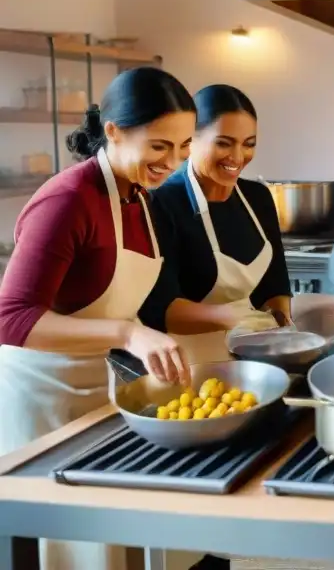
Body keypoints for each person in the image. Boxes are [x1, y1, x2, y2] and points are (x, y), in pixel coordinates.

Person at [0, 66, 196, 570]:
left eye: (183, 146)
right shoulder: (68, 199)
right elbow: (11, 318)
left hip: (96, 389)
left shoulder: (138, 197)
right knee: (59, 549)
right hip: (39, 398)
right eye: (159, 146)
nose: (173, 162)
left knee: (101, 547)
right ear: (113, 131)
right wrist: (127, 333)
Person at [151, 85, 289, 365]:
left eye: (248, 144)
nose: (238, 158)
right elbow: (161, 308)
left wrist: (283, 324)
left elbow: (274, 283)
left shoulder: (258, 197)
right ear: (190, 140)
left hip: (250, 358)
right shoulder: (161, 201)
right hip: (185, 365)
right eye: (224, 143)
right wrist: (233, 318)